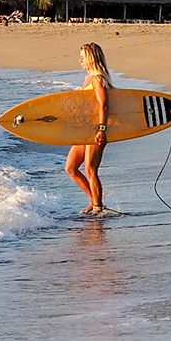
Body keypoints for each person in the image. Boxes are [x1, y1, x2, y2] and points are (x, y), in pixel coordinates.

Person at [65, 42, 111, 215]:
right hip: (84, 130)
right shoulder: (89, 79)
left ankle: (98, 208)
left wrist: (102, 129)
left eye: (83, 57)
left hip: (95, 130)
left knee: (90, 169)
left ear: (91, 59)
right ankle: (94, 201)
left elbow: (104, 105)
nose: (80, 60)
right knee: (70, 167)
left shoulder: (99, 78)